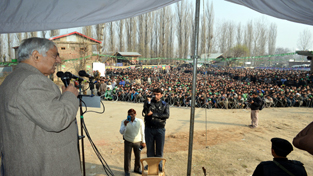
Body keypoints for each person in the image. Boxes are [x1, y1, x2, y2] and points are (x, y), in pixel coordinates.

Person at [0, 37, 81, 176]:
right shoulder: (30, 81)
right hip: (44, 168)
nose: (59, 60)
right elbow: (57, 119)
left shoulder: (13, 78)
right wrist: (69, 96)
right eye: (54, 55)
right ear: (36, 56)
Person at [142, 88, 169, 170]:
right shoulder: (148, 102)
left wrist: (154, 114)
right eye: (155, 94)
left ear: (161, 95)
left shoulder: (164, 104)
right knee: (150, 148)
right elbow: (146, 112)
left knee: (159, 148)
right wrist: (148, 102)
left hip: (160, 128)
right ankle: (150, 164)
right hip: (149, 128)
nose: (156, 96)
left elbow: (166, 115)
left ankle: (159, 164)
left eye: (158, 94)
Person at [119, 109, 146, 176]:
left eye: (132, 114)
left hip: (137, 141)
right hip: (128, 141)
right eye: (129, 114)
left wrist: (143, 141)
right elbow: (121, 132)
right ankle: (127, 171)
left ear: (135, 114)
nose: (130, 116)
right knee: (127, 157)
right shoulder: (124, 122)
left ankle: (137, 169)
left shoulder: (140, 121)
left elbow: (142, 132)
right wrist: (125, 125)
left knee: (138, 156)